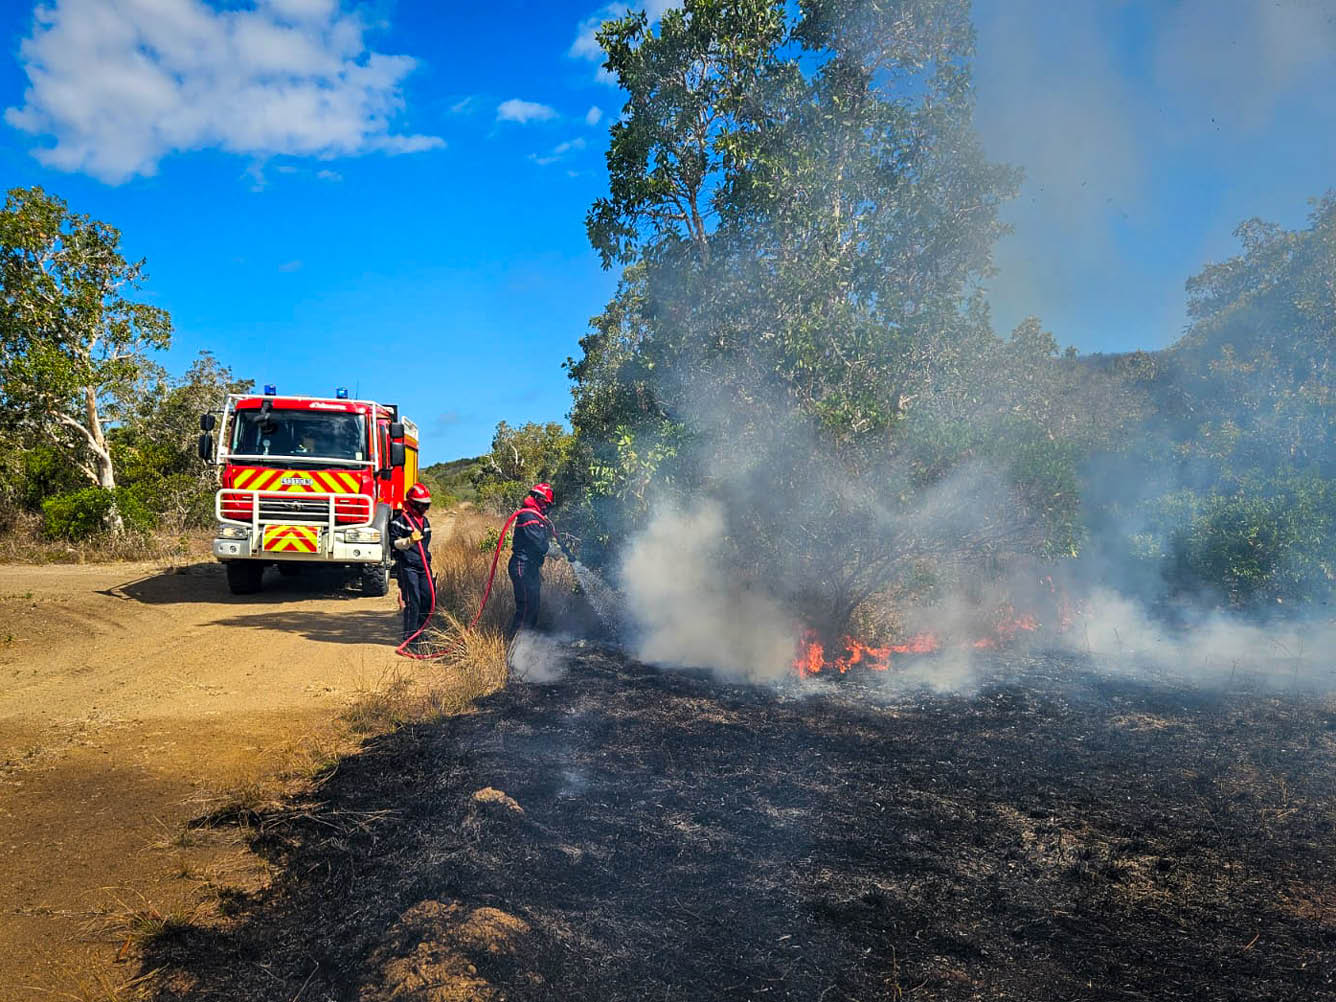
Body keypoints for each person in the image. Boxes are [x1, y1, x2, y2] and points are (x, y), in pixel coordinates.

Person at [390, 483, 433, 652]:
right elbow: (393, 543)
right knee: (413, 601)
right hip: (408, 567)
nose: (425, 507)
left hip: (423, 565)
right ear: (413, 502)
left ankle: (421, 633)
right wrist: (409, 541)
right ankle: (410, 639)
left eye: (427, 504)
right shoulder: (401, 521)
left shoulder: (425, 521)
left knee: (428, 599)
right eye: (422, 504)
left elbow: (426, 543)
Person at [508, 482, 555, 635]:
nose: (547, 508)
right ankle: (515, 646)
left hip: (530, 566)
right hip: (522, 566)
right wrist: (554, 551)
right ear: (539, 499)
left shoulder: (535, 516)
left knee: (533, 607)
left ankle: (527, 643)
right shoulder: (529, 515)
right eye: (547, 504)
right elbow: (539, 545)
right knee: (526, 607)